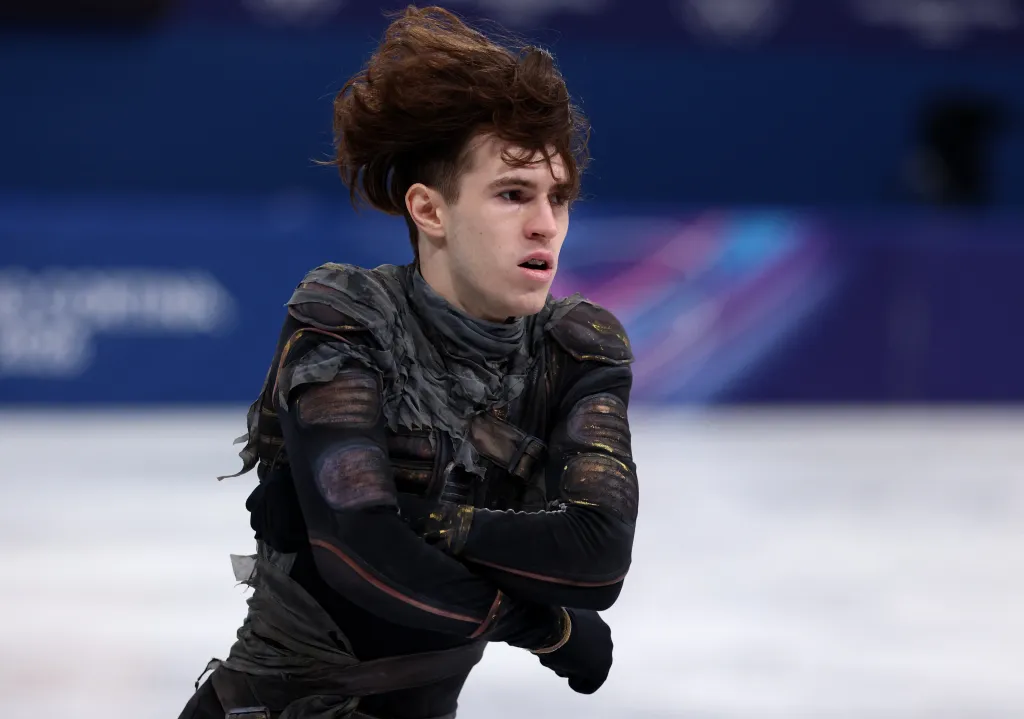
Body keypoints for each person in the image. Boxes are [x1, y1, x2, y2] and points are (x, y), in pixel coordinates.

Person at [178, 6, 639, 719]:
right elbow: (362, 556)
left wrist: (419, 520)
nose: (545, 221)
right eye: (513, 193)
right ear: (430, 209)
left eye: (558, 197)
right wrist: (544, 622)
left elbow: (598, 552)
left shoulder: (577, 347)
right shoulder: (344, 320)